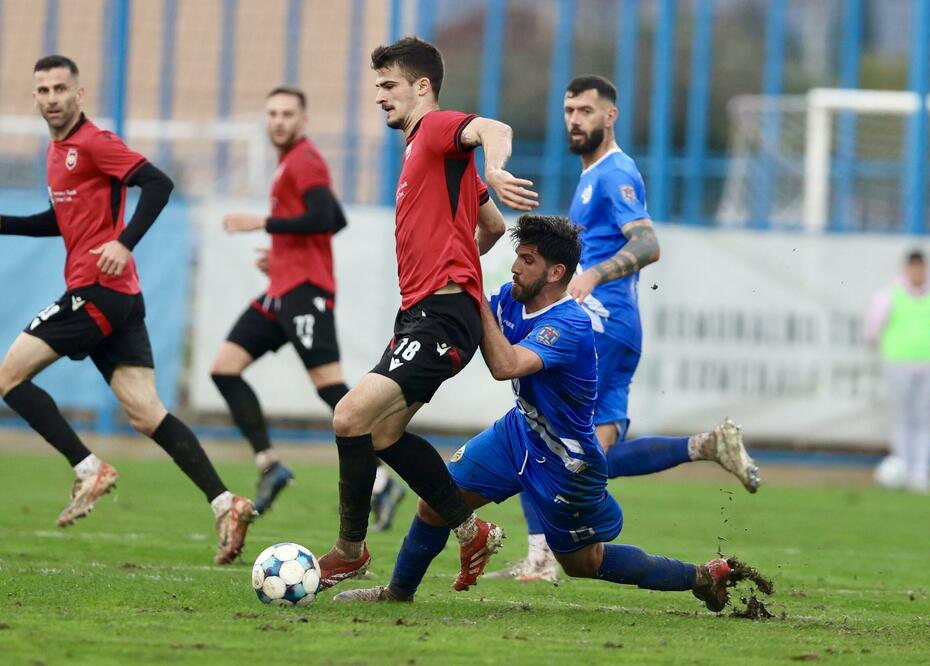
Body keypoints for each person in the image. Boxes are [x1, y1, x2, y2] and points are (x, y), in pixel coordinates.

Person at [333, 215, 734, 611]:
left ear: (557, 272)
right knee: (435, 507)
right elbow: (467, 323)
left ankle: (701, 576)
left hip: (566, 461)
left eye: (527, 260)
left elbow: (504, 365)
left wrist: (473, 295)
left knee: (583, 564)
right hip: (518, 433)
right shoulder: (510, 298)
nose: (515, 267)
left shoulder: (569, 324)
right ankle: (397, 593)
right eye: (517, 257)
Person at [490, 75, 760, 582]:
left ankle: (541, 557)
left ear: (609, 116)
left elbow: (648, 244)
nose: (575, 119)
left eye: (586, 111)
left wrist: (592, 273)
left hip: (599, 324)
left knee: (540, 434)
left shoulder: (614, 173)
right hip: (618, 329)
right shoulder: (595, 172)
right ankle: (703, 446)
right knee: (592, 457)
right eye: (569, 110)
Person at [0, 55, 255, 564]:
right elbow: (61, 220)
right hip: (118, 299)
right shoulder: (56, 153)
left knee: (8, 379)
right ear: (35, 97)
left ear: (80, 94)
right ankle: (226, 502)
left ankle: (88, 467)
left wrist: (125, 242)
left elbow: (159, 182)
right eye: (43, 90)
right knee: (146, 412)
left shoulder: (94, 141)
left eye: (60, 88)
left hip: (97, 290)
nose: (51, 97)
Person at [315, 36, 535, 590]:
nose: (380, 97)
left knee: (348, 417)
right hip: (425, 313)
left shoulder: (434, 130)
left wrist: (500, 167)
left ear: (421, 87)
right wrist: (457, 260)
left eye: (388, 87)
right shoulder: (434, 156)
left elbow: (495, 130)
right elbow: (490, 228)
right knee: (385, 435)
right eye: (378, 88)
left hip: (441, 316)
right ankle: (470, 531)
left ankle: (350, 550)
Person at [210, 86, 405, 524]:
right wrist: (280, 253)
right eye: (272, 113)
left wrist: (261, 223)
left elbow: (324, 217)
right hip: (281, 288)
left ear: (303, 120)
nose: (278, 121)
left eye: (287, 114)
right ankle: (270, 464)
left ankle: (382, 479)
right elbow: (326, 220)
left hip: (305, 292)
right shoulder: (288, 164)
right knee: (224, 367)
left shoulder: (305, 159)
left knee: (331, 390)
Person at [865, 250, 930, 493]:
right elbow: (873, 329)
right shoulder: (888, 295)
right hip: (897, 362)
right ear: (906, 269)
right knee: (901, 416)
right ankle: (901, 469)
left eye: (921, 268)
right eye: (913, 268)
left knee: (925, 417)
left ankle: (921, 473)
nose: (917, 273)